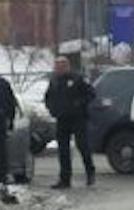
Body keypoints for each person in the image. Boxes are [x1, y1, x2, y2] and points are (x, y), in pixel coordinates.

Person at [41, 56, 97, 189]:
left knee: (82, 145)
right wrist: (52, 108)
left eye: (62, 66)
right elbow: (48, 97)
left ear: (67, 66)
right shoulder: (54, 80)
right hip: (62, 118)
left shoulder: (78, 78)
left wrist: (79, 103)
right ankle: (65, 179)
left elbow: (91, 94)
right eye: (57, 67)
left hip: (78, 117)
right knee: (63, 150)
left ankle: (90, 173)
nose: (59, 69)